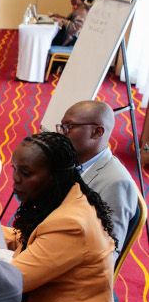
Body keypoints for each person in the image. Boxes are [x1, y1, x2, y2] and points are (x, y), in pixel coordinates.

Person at [5, 132, 119, 302]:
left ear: (53, 176)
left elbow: (9, 282)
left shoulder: (70, 224)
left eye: (26, 174)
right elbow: (31, 238)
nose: (15, 180)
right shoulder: (68, 193)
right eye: (14, 169)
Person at [59, 100, 138, 256]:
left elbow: (108, 252)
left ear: (97, 132)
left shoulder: (116, 182)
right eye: (62, 126)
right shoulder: (68, 162)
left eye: (69, 127)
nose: (62, 133)